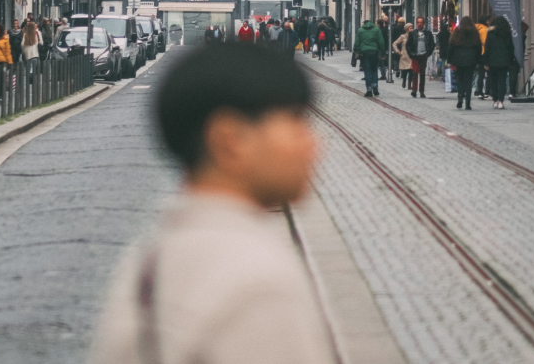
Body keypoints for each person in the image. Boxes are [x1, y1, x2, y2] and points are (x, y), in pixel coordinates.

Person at [86, 43, 332, 364]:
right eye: (296, 122)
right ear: (230, 140)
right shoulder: (259, 282)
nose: (313, 143)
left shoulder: (150, 258)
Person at [448, 16, 483, 110]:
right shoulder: (474, 32)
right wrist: (478, 59)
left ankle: (460, 98)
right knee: (468, 81)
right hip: (471, 59)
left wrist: (450, 59)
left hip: (458, 59)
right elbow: (479, 47)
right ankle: (468, 102)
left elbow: (451, 46)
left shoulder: (457, 31)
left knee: (460, 79)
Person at [485, 15, 516, 109]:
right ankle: (501, 101)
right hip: (504, 61)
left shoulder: (490, 34)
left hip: (492, 60)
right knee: (502, 81)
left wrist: (486, 61)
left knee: (493, 81)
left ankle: (495, 100)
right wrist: (510, 60)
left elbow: (487, 48)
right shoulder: (507, 34)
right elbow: (511, 48)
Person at [405, 17, 436, 98]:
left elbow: (432, 44)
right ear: (416, 23)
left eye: (421, 22)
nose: (419, 24)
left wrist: (428, 53)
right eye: (418, 22)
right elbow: (408, 45)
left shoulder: (428, 33)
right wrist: (411, 54)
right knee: (415, 73)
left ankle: (421, 91)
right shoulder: (413, 33)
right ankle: (414, 90)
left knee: (422, 74)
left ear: (424, 23)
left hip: (423, 55)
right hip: (415, 56)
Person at [355, 20, 386, 97]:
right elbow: (381, 42)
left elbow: (357, 43)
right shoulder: (376, 29)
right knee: (374, 70)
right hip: (374, 52)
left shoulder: (360, 30)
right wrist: (382, 53)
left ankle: (369, 89)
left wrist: (358, 52)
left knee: (367, 71)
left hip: (364, 52)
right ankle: (375, 86)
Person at [393, 23, 414, 88]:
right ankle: (404, 80)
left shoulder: (414, 36)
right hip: (404, 55)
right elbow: (394, 43)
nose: (412, 29)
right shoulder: (403, 36)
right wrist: (398, 51)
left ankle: (409, 84)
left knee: (411, 70)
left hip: (411, 55)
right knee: (405, 70)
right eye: (410, 28)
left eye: (412, 28)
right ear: (407, 29)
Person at [474, 16, 489, 98]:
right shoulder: (484, 30)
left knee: (480, 74)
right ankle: (486, 91)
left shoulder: (477, 29)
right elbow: (485, 42)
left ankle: (479, 91)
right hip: (483, 53)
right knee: (486, 73)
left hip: (478, 53)